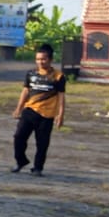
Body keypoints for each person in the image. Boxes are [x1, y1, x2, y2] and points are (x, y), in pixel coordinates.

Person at [12, 43, 67, 176]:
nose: (40, 62)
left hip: (46, 115)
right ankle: (21, 161)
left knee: (42, 143)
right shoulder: (31, 73)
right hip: (29, 111)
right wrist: (18, 108)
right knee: (18, 137)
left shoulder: (58, 76)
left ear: (50, 60)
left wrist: (60, 115)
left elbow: (61, 97)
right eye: (38, 59)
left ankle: (38, 168)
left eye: (43, 59)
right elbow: (25, 91)